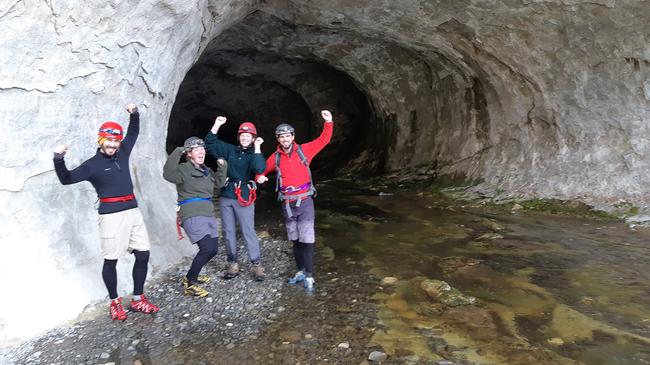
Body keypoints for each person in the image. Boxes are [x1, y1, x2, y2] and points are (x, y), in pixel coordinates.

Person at [52, 103, 160, 321]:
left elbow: (134, 132)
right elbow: (66, 179)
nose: (112, 144)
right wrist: (58, 159)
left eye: (116, 140)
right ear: (101, 140)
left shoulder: (123, 153)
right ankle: (114, 302)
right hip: (111, 215)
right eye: (108, 140)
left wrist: (135, 114)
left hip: (133, 211)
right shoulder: (92, 165)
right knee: (111, 260)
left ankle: (138, 298)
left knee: (143, 253)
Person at [256, 110, 334, 292]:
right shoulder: (275, 158)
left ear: (293, 137)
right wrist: (259, 177)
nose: (285, 140)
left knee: (307, 239)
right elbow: (261, 170)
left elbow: (324, 140)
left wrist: (329, 122)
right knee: (295, 239)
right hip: (287, 203)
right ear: (278, 139)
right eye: (281, 137)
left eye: (287, 136)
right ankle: (300, 271)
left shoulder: (304, 150)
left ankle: (309, 275)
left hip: (305, 200)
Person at [163, 137, 228, 297]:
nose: (201, 152)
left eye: (202, 149)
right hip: (191, 213)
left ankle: (191, 276)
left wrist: (222, 167)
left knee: (213, 249)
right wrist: (179, 150)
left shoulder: (205, 170)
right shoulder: (184, 169)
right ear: (189, 154)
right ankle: (190, 283)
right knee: (206, 248)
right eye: (196, 150)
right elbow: (168, 174)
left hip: (207, 213)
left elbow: (219, 184)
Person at [205, 116, 266, 281]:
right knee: (228, 231)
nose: (245, 138)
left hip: (244, 196)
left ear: (253, 138)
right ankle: (232, 262)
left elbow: (260, 168)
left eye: (249, 136)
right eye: (243, 135)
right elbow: (209, 143)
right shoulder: (230, 150)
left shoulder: (254, 154)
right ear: (239, 137)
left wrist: (258, 147)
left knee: (248, 231)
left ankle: (256, 263)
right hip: (227, 194)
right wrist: (217, 124)